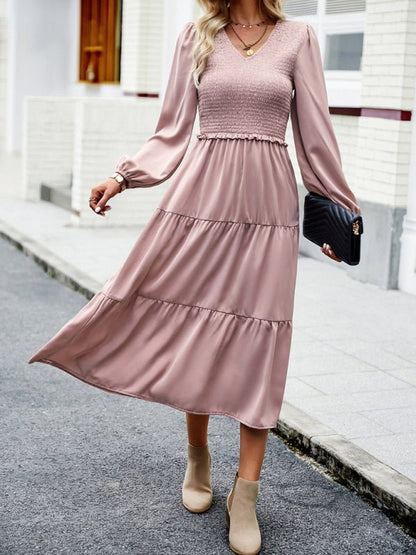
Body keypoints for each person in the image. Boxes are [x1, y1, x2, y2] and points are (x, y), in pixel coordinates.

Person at [28, 1, 362, 553]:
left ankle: (247, 493)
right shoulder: (196, 35)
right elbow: (172, 130)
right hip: (201, 200)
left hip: (267, 208)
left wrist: (341, 209)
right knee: (198, 327)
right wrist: (123, 176)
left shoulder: (299, 37)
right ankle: (199, 456)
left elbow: (315, 134)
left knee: (260, 335)